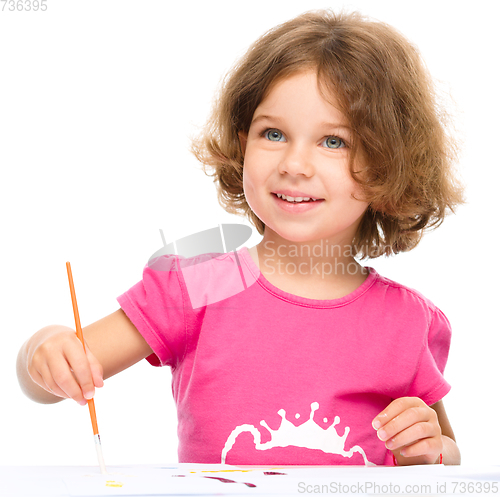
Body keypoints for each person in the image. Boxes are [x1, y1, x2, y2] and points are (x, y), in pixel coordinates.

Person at [16, 9, 463, 466]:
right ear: (241, 142)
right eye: (273, 133)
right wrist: (45, 348)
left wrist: (429, 450)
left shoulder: (405, 321)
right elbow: (49, 382)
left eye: (333, 142)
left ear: (388, 165)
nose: (294, 164)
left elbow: (445, 454)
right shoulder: (202, 287)